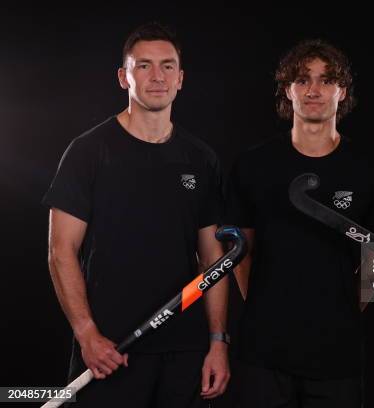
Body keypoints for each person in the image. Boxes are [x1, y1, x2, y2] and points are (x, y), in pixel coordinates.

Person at [43, 22, 230, 407]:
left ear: (180, 78)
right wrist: (87, 334)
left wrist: (216, 342)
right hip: (111, 351)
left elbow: (213, 260)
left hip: (184, 352)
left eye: (167, 66)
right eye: (143, 66)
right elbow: (61, 251)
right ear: (123, 78)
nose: (157, 76)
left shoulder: (201, 159)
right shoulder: (88, 152)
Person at [224, 39, 374, 407]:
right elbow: (241, 254)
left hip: (337, 354)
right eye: (302, 80)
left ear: (342, 91)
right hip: (263, 353)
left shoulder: (369, 171)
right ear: (288, 90)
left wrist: (342, 308)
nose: (313, 90)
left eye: (325, 80)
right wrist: (270, 306)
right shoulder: (254, 166)